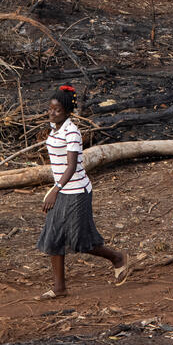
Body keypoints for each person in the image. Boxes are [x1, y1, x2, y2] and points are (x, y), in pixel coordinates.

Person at [36, 86, 129, 299]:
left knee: (79, 240)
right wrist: (54, 191)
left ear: (68, 112)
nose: (52, 113)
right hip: (60, 190)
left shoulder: (72, 132)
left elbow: (71, 166)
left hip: (76, 191)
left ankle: (117, 258)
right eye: (50, 109)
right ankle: (60, 288)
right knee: (53, 237)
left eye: (57, 110)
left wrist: (54, 191)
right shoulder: (55, 128)